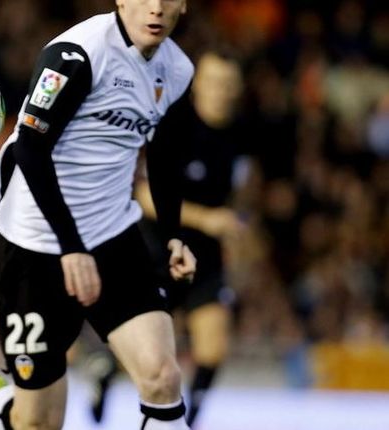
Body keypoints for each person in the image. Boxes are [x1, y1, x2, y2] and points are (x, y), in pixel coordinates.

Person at [0, 0, 196, 429]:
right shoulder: (78, 54)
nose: (156, 9)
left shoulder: (177, 70)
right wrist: (71, 247)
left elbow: (163, 157)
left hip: (112, 235)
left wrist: (175, 234)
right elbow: (30, 149)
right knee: (39, 422)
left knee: (162, 378)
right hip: (34, 241)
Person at [133, 49, 246, 427]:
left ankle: (190, 416)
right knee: (147, 351)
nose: (221, 91)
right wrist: (206, 218)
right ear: (198, 85)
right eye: (214, 82)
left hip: (208, 253)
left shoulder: (240, 134)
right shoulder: (173, 125)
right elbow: (144, 196)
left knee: (214, 347)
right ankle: (104, 371)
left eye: (229, 85)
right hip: (159, 246)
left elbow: (240, 193)